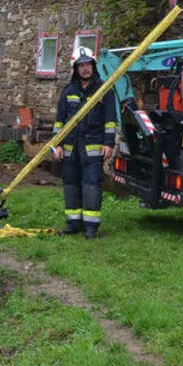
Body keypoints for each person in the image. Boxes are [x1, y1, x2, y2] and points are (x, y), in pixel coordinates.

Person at [52, 47, 117, 239]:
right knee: (70, 185)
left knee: (91, 186)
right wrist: (57, 145)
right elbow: (59, 121)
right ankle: (73, 224)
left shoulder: (104, 90)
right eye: (81, 65)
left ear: (94, 66)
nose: (85, 68)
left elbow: (110, 120)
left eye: (88, 64)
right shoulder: (68, 91)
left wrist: (109, 143)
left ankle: (91, 227)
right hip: (70, 149)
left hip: (93, 148)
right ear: (76, 68)